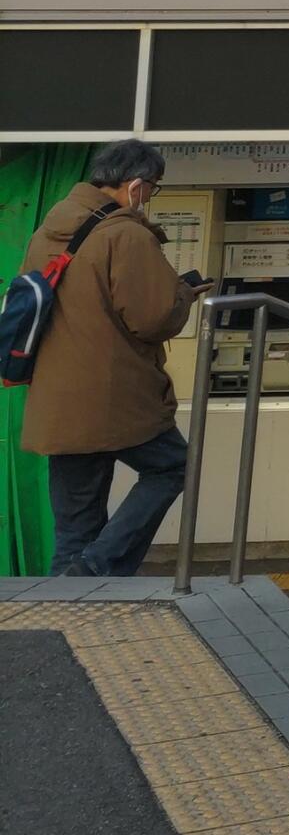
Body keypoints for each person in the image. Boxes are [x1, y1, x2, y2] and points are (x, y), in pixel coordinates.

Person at [19, 138, 204, 576]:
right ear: (137, 185)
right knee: (175, 466)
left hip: (57, 400)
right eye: (153, 188)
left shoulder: (47, 231)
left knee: (75, 527)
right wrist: (184, 293)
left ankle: (67, 619)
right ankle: (97, 568)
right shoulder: (125, 234)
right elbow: (153, 319)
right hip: (114, 397)